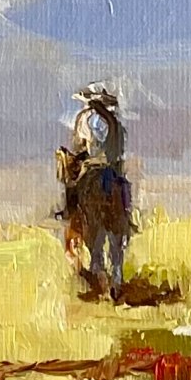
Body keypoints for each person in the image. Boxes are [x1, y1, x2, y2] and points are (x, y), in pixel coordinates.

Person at [58, 83, 133, 297]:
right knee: (123, 191)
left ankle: (69, 211)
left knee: (74, 185)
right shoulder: (116, 122)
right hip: (113, 170)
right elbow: (119, 149)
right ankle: (125, 221)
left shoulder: (85, 118)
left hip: (93, 167)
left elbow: (81, 146)